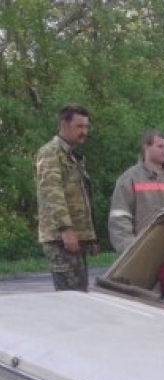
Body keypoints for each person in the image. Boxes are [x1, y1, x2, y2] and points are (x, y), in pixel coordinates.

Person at [35, 103, 99, 291]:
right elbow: (52, 193)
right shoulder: (50, 153)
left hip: (76, 237)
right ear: (64, 124)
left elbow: (83, 199)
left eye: (86, 127)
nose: (84, 131)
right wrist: (66, 230)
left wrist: (91, 237)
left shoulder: (73, 156)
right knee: (70, 297)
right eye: (79, 126)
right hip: (60, 238)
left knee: (80, 292)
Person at [108, 129, 164, 254]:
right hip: (144, 253)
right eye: (160, 146)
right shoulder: (129, 179)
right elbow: (119, 219)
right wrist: (130, 251)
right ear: (146, 147)